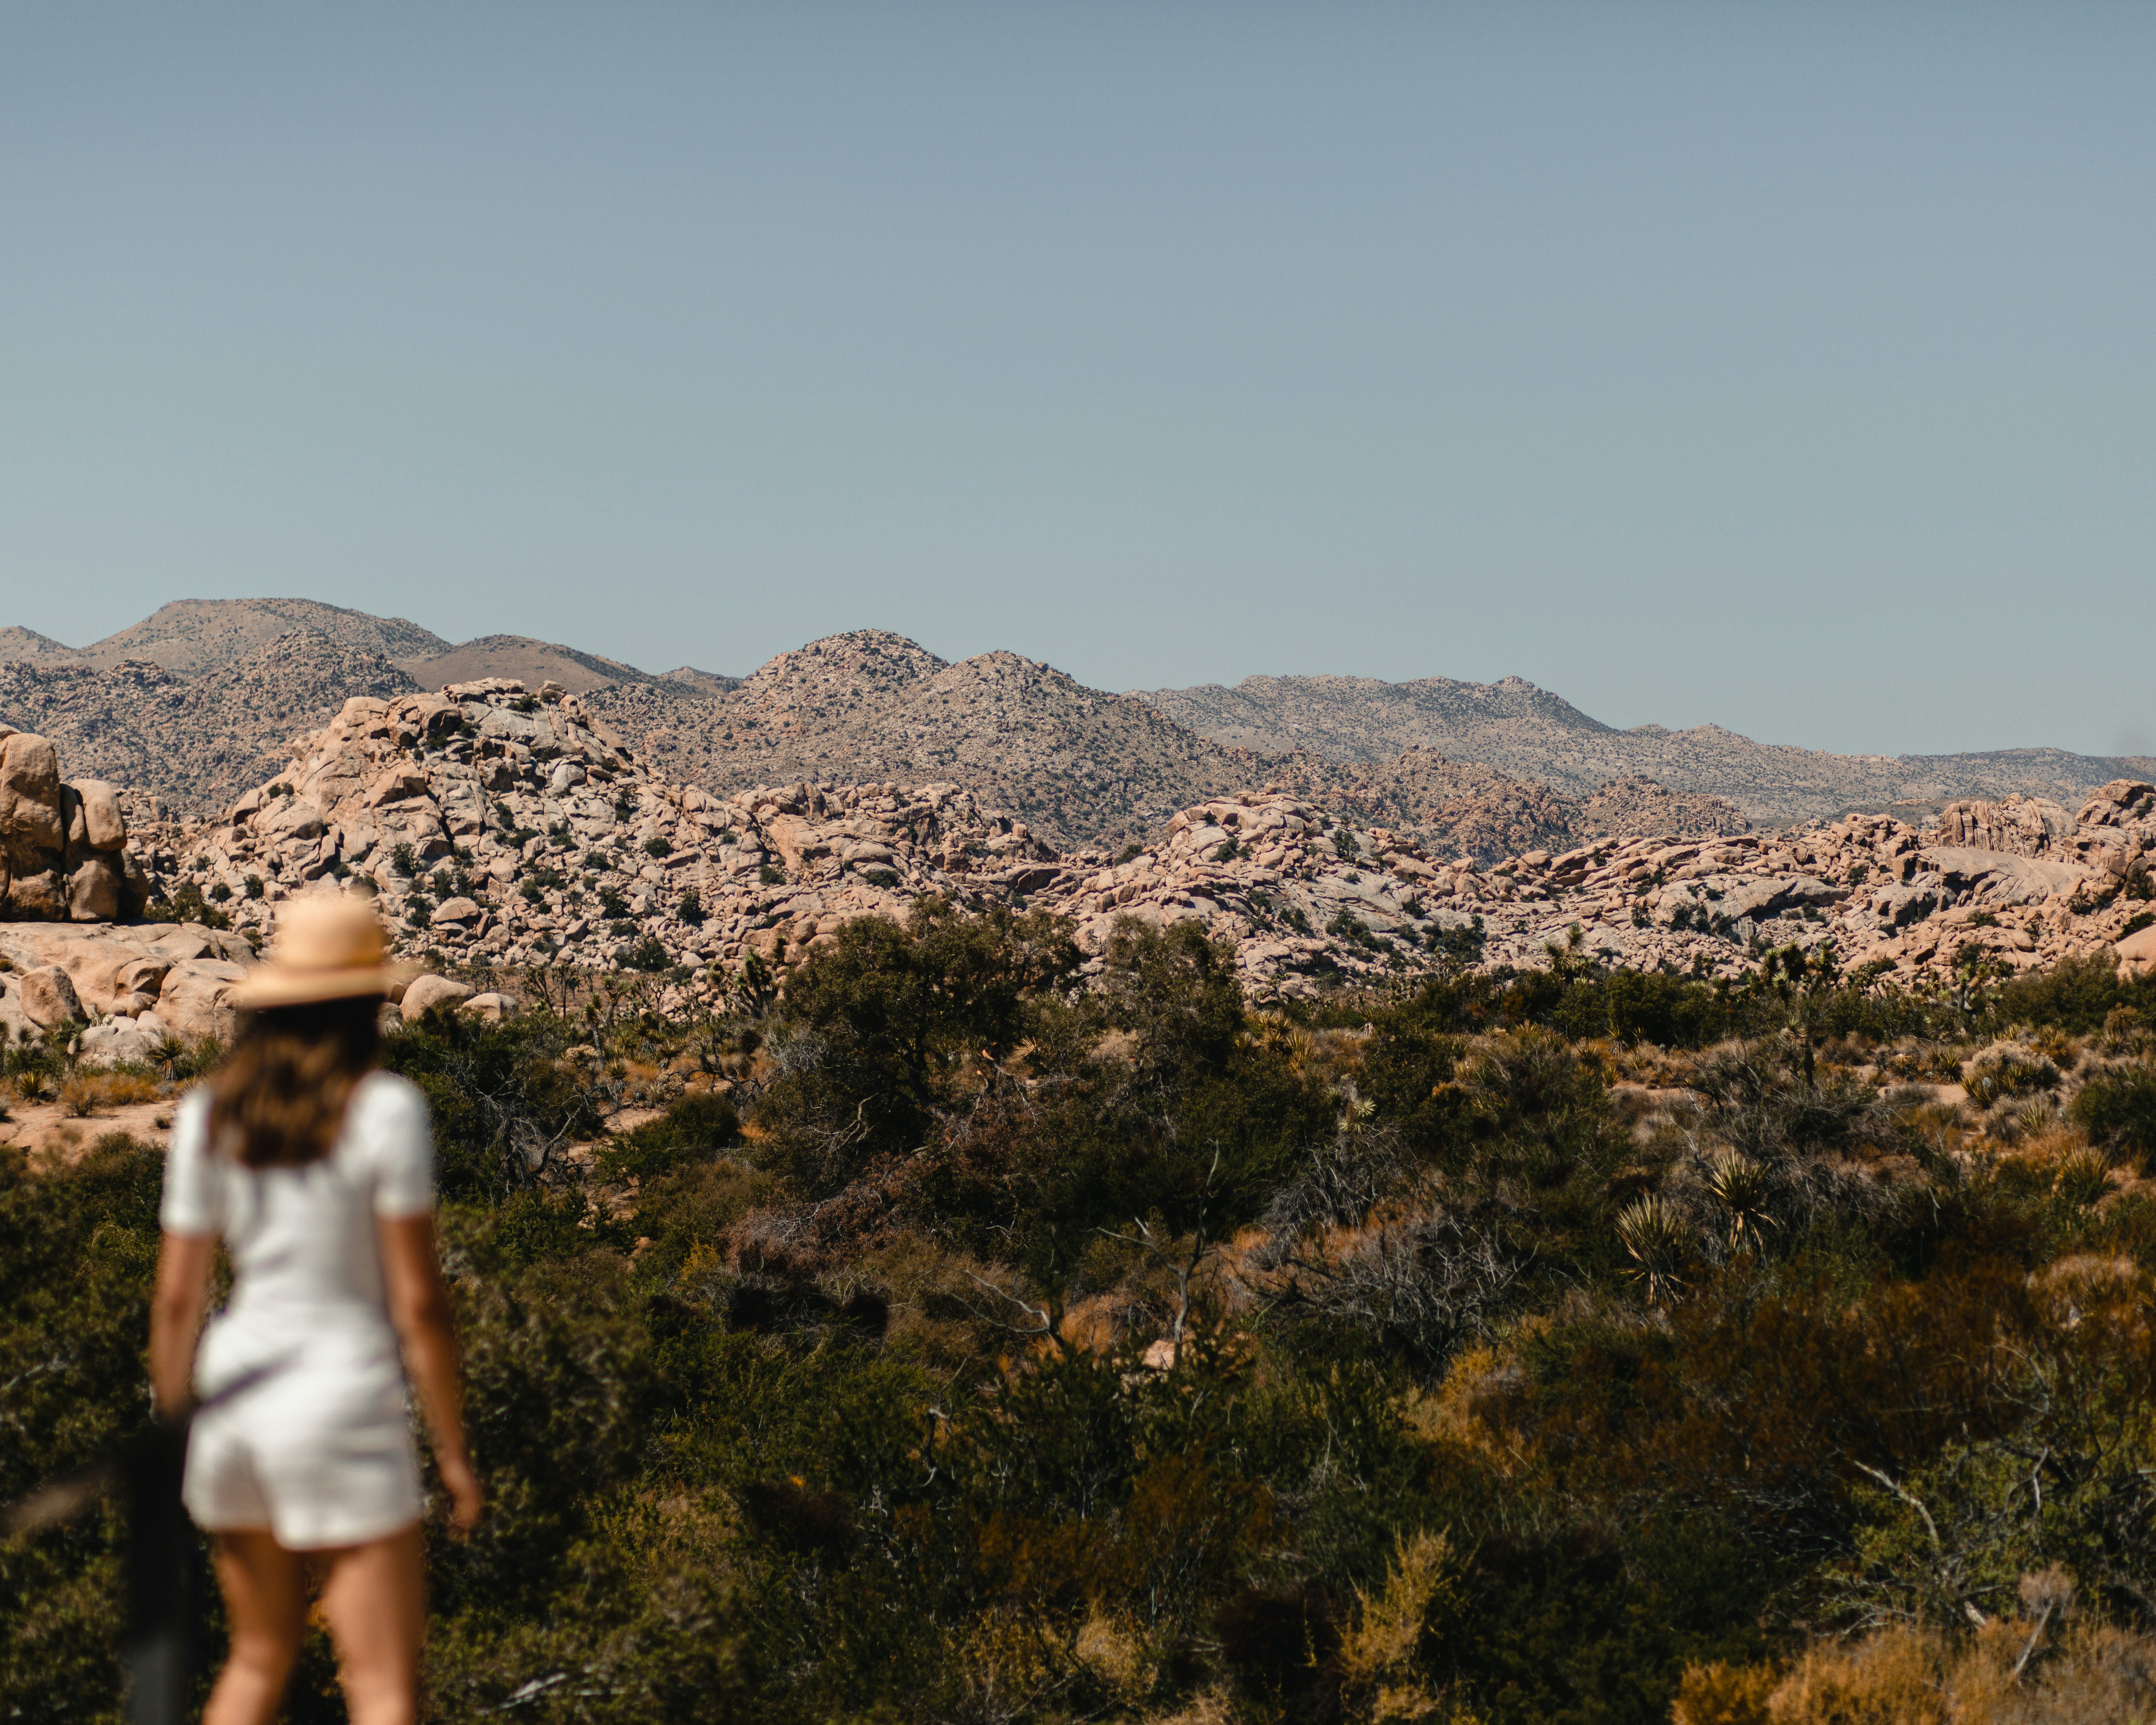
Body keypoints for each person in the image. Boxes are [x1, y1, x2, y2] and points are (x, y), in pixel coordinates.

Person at [147, 895, 482, 1725]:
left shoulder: (209, 1115)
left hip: (235, 1402)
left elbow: (178, 1296)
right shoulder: (383, 1110)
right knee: (380, 1686)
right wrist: (452, 1448)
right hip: (343, 1399)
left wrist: (168, 1423)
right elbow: (418, 1300)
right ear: (365, 1003)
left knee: (258, 1657)